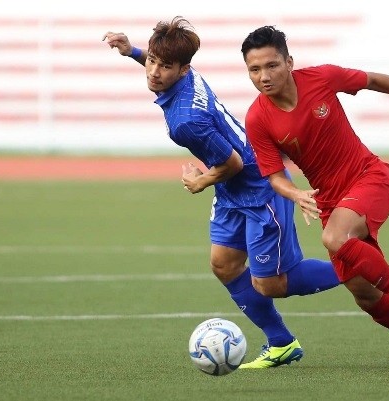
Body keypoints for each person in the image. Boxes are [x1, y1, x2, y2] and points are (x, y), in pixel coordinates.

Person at [103, 17, 341, 369]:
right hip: (233, 192)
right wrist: (132, 52)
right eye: (151, 61)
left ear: (183, 71)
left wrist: (201, 182)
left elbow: (232, 163)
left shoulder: (186, 122)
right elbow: (161, 65)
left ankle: (355, 267)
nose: (153, 71)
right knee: (224, 265)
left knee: (273, 282)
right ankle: (281, 343)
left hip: (259, 185)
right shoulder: (187, 75)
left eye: (164, 66)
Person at [241, 26, 389, 370]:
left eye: (271, 65)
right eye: (254, 70)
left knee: (333, 238)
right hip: (331, 202)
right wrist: (296, 193)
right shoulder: (257, 118)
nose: (264, 76)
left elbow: (372, 80)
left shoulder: (322, 78)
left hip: (368, 177)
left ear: (289, 62)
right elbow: (273, 176)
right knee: (365, 294)